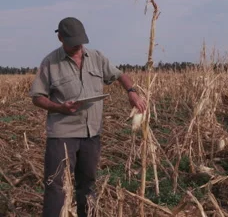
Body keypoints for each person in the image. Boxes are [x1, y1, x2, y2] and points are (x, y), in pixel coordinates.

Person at [29, 17, 147, 217]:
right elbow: (37, 97)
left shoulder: (97, 57)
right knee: (56, 186)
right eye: (72, 42)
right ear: (60, 38)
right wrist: (59, 107)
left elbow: (119, 75)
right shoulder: (50, 62)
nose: (77, 46)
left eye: (80, 41)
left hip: (91, 133)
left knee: (88, 185)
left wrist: (132, 91)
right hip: (62, 135)